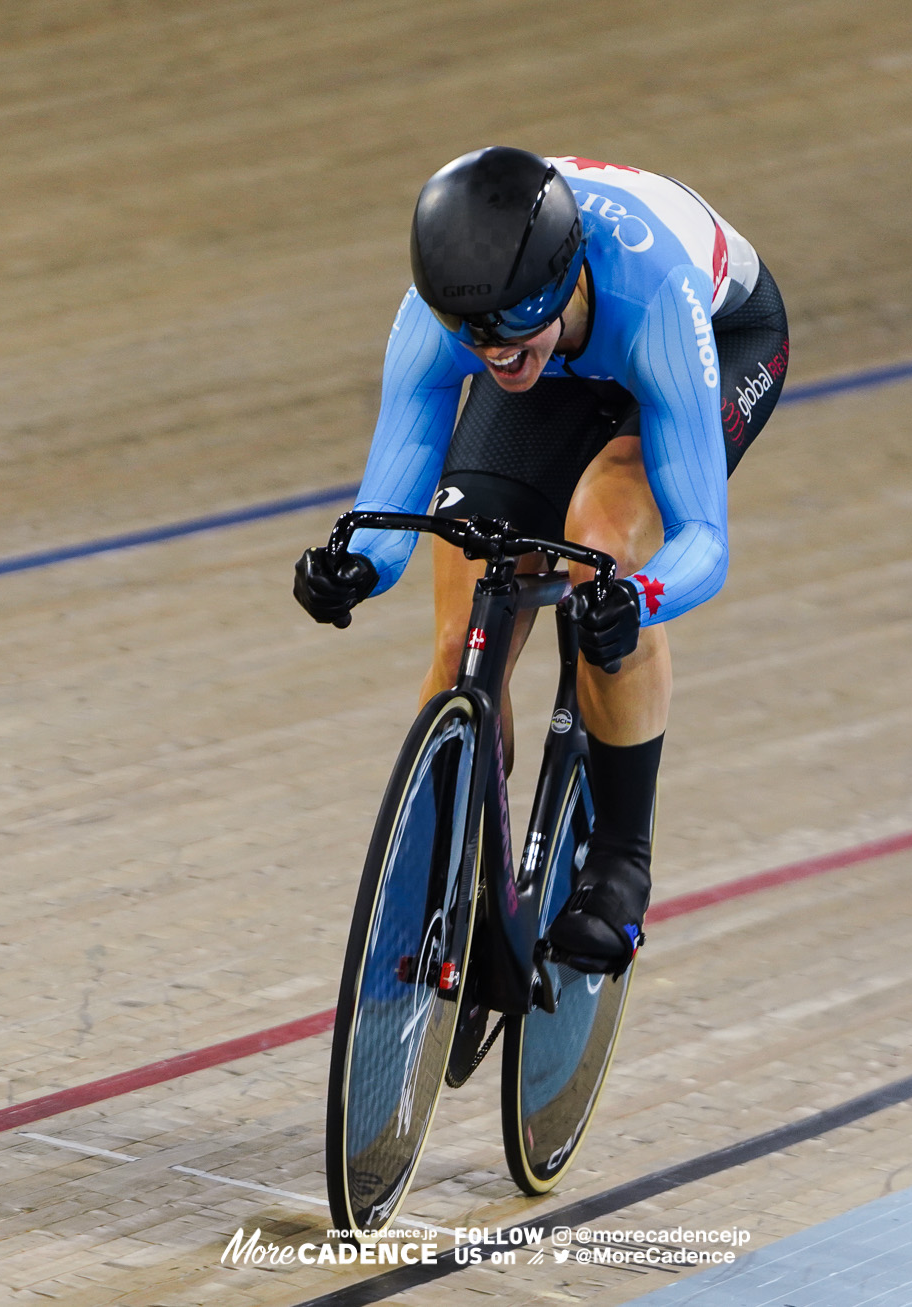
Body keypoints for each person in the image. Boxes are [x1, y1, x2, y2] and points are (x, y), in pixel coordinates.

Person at [293, 147, 789, 973]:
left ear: (561, 282)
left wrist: (641, 596)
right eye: (473, 333)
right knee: (463, 639)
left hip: (705, 337)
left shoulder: (653, 295)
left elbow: (703, 539)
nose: (490, 349)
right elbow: (394, 492)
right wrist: (359, 568)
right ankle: (446, 870)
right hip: (563, 348)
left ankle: (621, 864)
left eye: (506, 327)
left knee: (604, 539)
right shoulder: (467, 312)